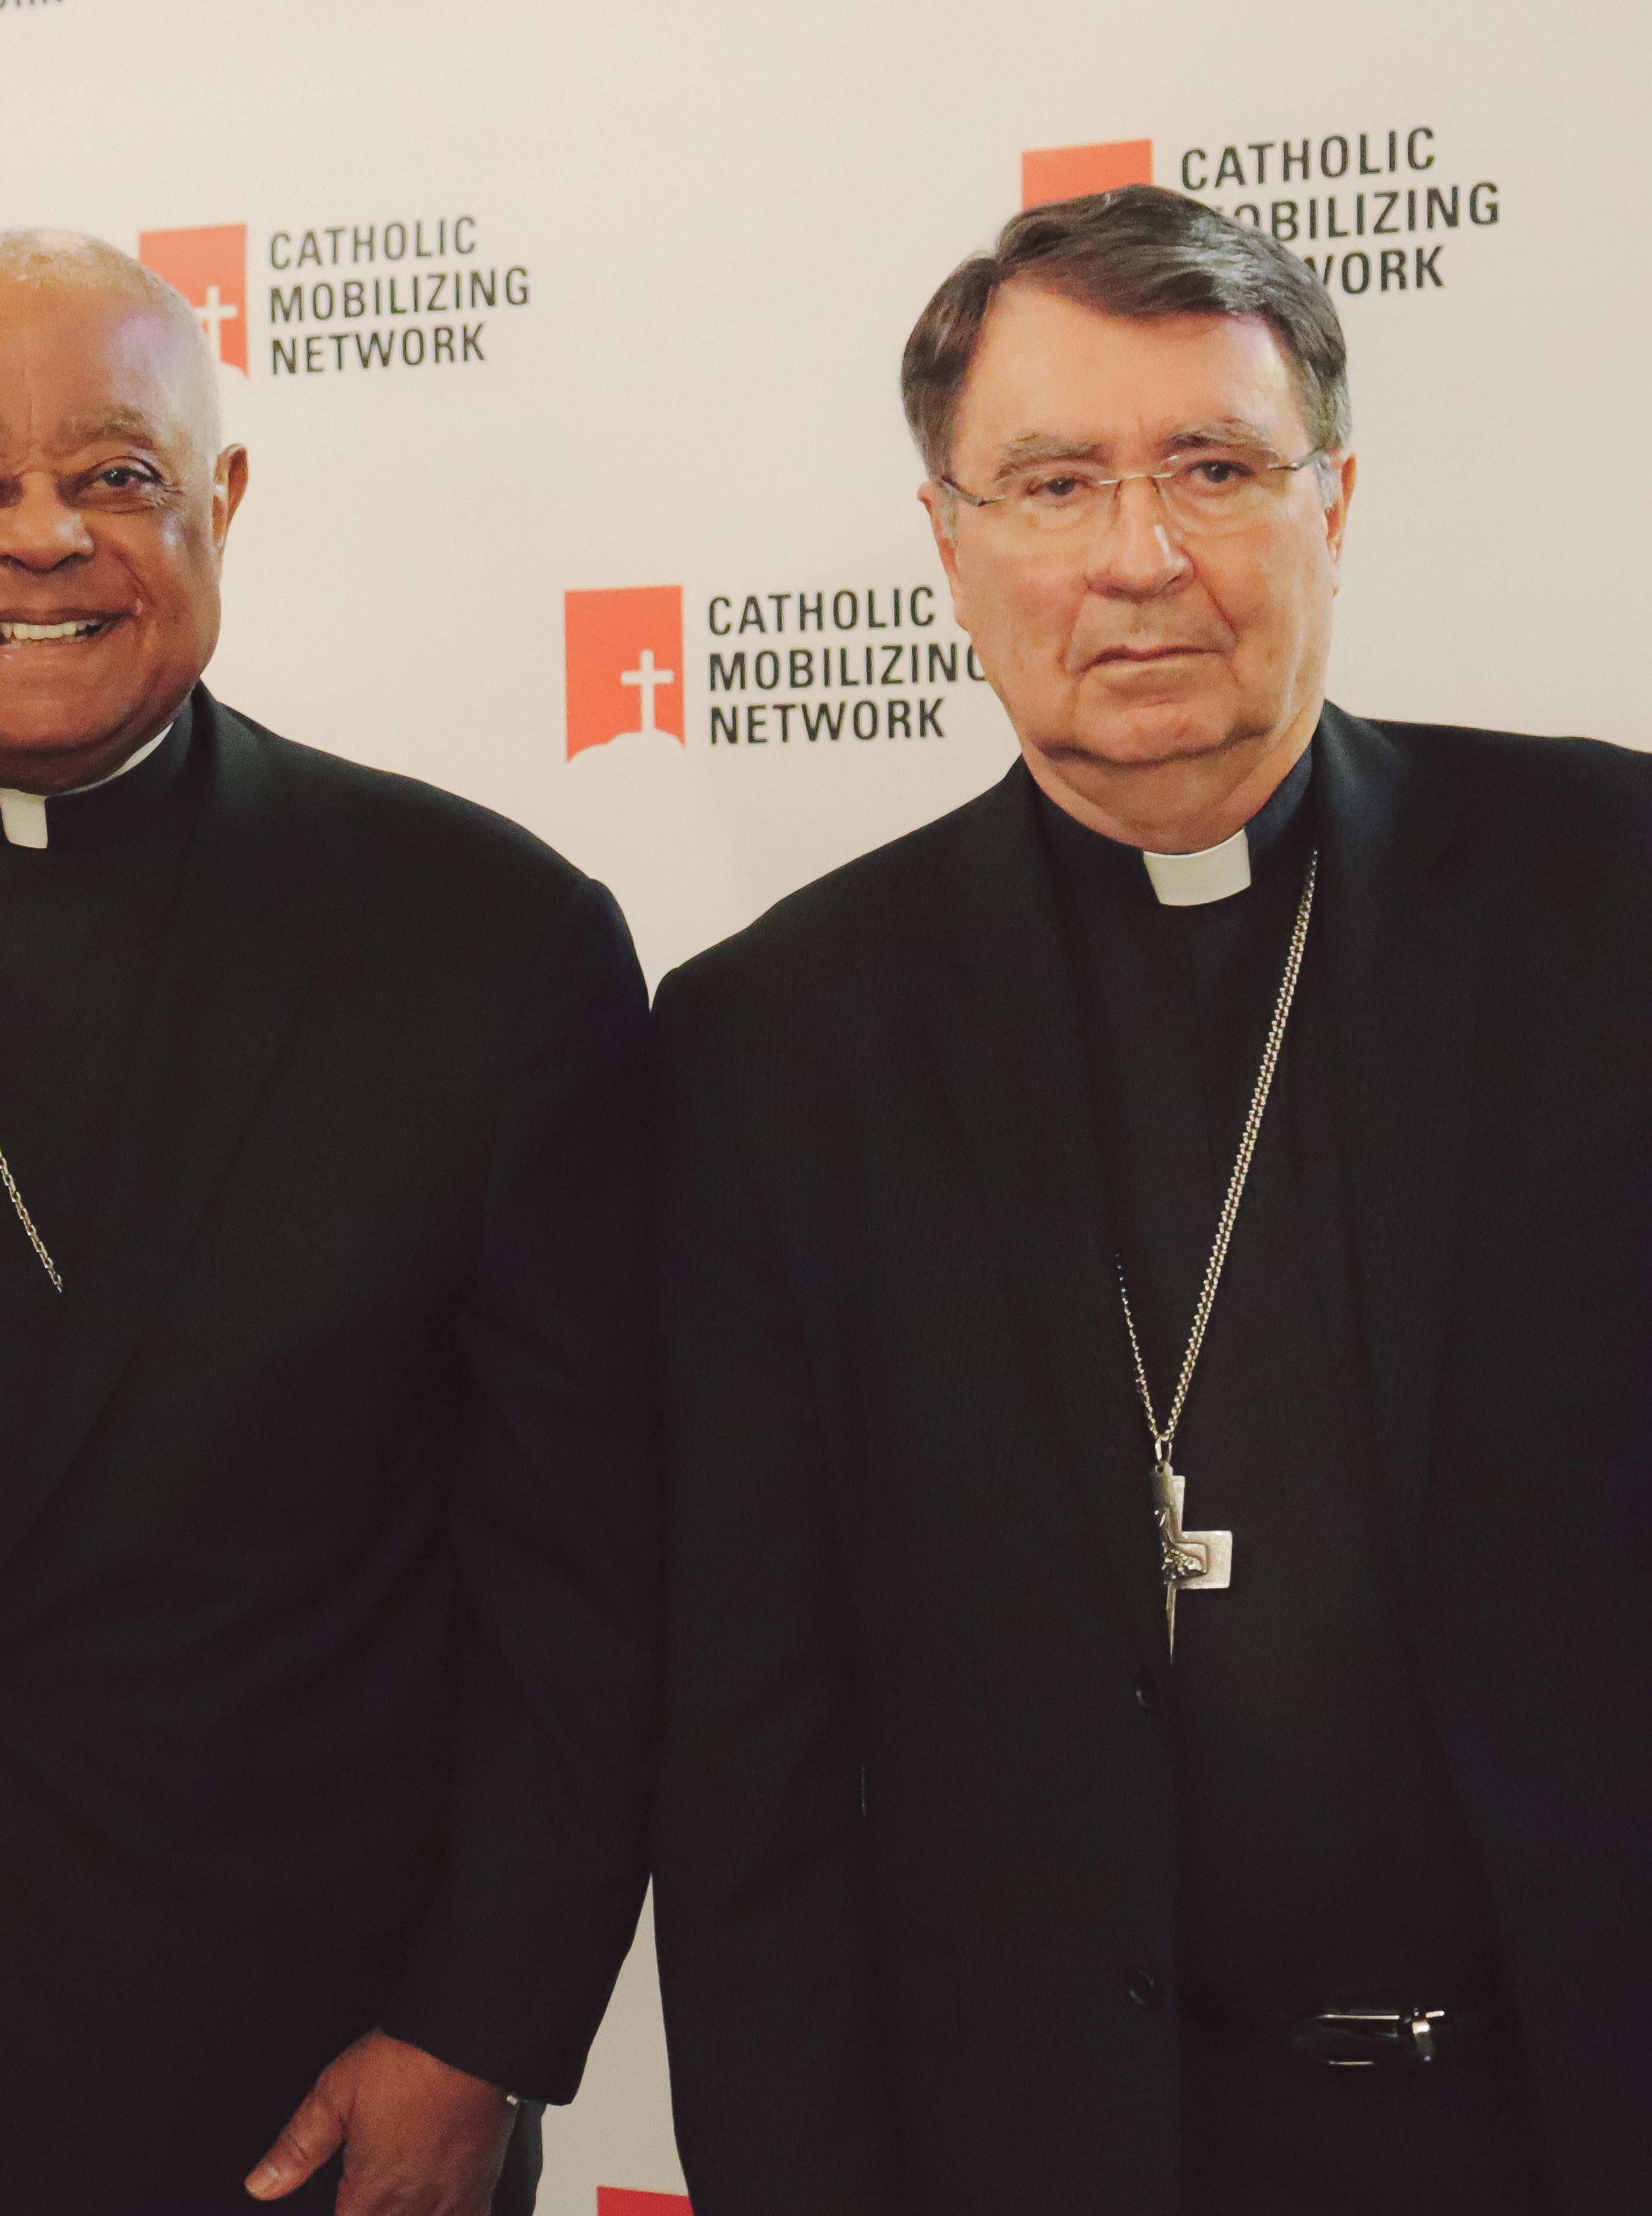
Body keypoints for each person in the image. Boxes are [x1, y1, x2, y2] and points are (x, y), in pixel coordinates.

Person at [0, 231, 659, 2216]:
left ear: (224, 502)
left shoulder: (480, 944)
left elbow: (584, 1582)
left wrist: (481, 2030)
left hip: (293, 2102)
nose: (39, 539)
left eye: (115, 474)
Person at [651, 184, 1651, 2216]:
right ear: (948, 543)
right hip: (1065, 2151)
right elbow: (748, 1763)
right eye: (1052, 482)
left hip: (1560, 2119)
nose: (1140, 557)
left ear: (1334, 504)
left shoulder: (1609, 896)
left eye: (1213, 466)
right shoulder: (779, 1043)